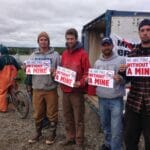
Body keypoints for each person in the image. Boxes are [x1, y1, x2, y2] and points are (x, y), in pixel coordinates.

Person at [119, 19, 150, 150]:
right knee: (130, 139)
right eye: (142, 30)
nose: (145, 33)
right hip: (133, 104)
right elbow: (127, 79)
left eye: (148, 30)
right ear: (139, 33)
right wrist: (122, 72)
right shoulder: (132, 54)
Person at [27, 32, 60, 145]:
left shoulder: (55, 55)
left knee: (52, 112)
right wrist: (25, 67)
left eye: (45, 39)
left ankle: (52, 133)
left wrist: (56, 72)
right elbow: (28, 70)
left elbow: (61, 71)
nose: (43, 41)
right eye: (41, 39)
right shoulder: (33, 55)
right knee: (38, 113)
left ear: (48, 41)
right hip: (37, 88)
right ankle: (38, 133)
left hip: (51, 89)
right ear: (38, 41)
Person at [60, 28, 90, 150]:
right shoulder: (64, 53)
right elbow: (61, 69)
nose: (70, 41)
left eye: (72, 38)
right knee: (67, 116)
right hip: (65, 91)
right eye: (68, 39)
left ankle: (79, 141)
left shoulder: (83, 54)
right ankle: (70, 137)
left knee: (79, 118)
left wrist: (81, 82)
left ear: (76, 39)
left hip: (76, 92)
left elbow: (88, 73)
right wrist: (57, 73)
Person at [94, 37, 125, 150]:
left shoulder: (121, 60)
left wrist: (121, 79)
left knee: (116, 129)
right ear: (101, 47)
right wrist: (90, 79)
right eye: (104, 45)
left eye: (108, 45)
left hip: (116, 100)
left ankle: (116, 148)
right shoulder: (97, 62)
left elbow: (127, 79)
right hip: (102, 99)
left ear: (112, 46)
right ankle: (108, 145)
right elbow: (95, 79)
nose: (106, 47)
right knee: (106, 126)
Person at [0, 45, 21, 112]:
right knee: (14, 91)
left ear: (1, 52)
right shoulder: (12, 58)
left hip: (4, 79)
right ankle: (15, 106)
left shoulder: (1, 58)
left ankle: (2, 108)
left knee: (2, 92)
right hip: (14, 78)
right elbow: (18, 67)